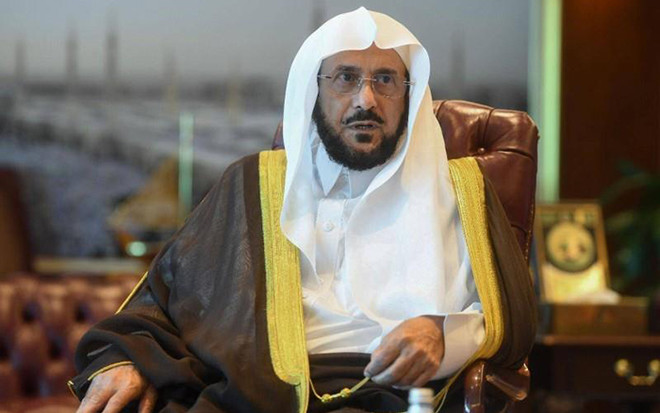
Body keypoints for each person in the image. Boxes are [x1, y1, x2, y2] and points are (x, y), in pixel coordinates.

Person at [70, 8, 536, 413]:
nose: (366, 100)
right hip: (247, 394)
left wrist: (441, 333)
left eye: (386, 80)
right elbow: (165, 299)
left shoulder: (460, 193)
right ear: (314, 91)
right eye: (346, 78)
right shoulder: (250, 184)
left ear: (409, 95)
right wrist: (131, 359)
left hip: (389, 395)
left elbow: (507, 316)